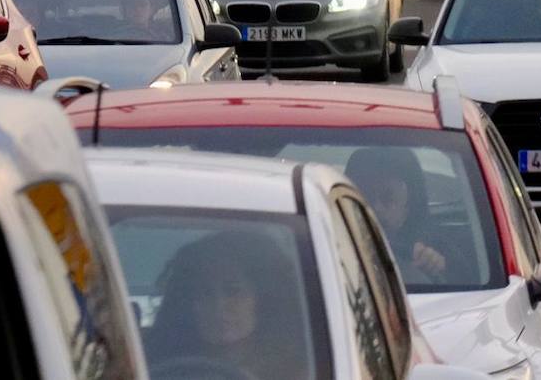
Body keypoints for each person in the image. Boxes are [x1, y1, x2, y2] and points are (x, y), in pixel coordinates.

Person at [146, 231, 309, 380]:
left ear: (263, 298)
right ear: (189, 304)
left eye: (233, 291)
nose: (218, 305)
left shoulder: (303, 368)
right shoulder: (155, 366)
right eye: (205, 293)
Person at [343, 147, 451, 285]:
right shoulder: (323, 244)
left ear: (409, 204)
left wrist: (438, 267)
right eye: (365, 197)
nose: (377, 207)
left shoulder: (440, 250)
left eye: (388, 197)